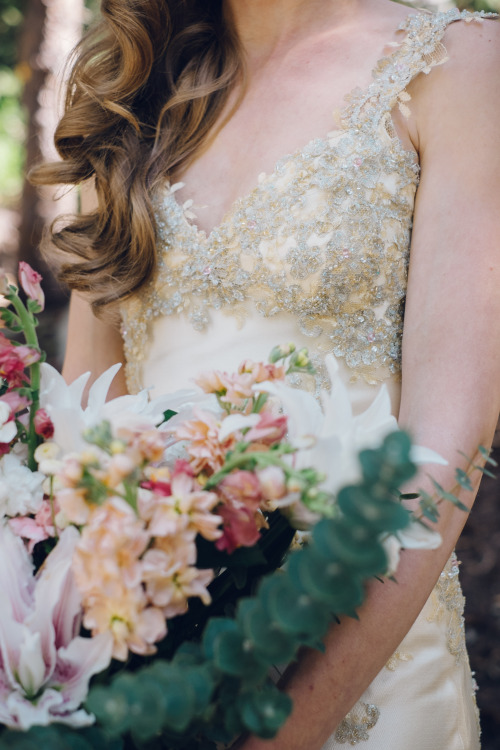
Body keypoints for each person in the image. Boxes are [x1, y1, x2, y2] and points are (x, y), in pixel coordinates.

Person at [33, 1, 500, 748]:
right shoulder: (126, 95)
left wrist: (279, 731)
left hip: (372, 670)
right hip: (163, 686)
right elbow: (86, 441)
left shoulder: (460, 65)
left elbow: (451, 439)